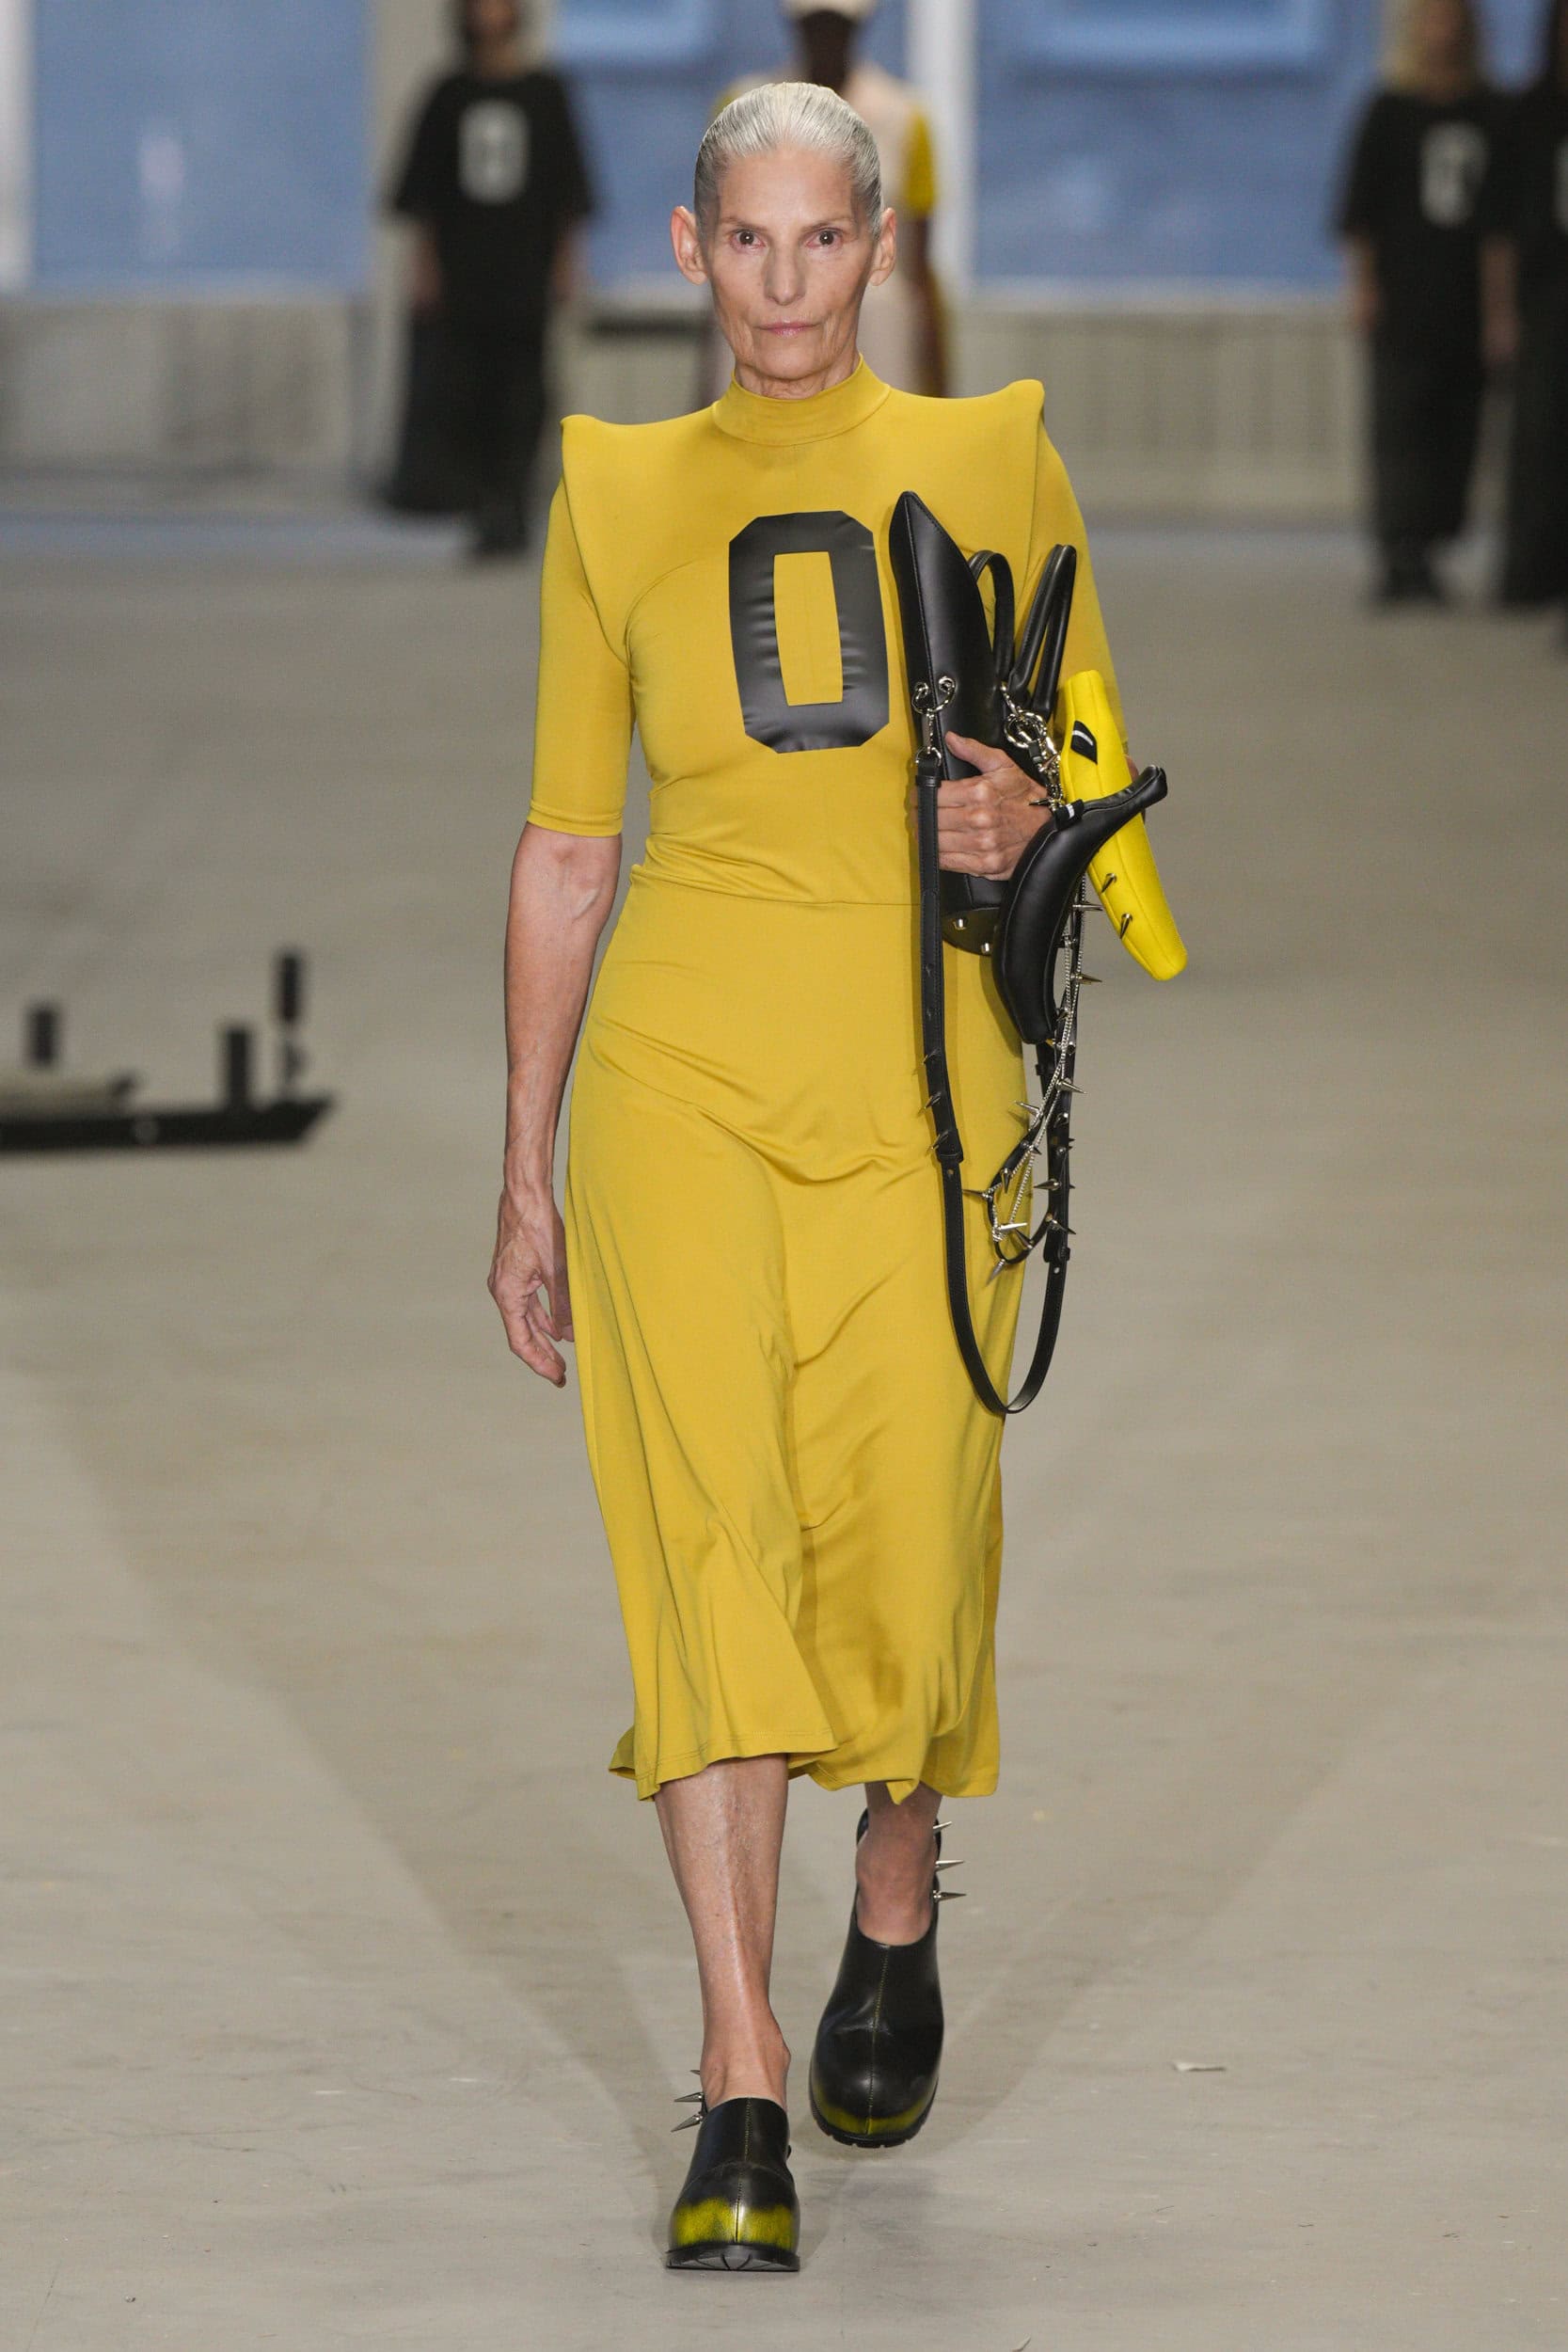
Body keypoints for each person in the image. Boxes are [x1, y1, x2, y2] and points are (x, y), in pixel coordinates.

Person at [487, 82, 1130, 2273]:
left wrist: (1020, 811)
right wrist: (522, 1168)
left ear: (879, 247)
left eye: (820, 241)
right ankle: (740, 2064)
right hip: (674, 1089)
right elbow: (567, 843)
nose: (782, 285)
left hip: (922, 1091)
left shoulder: (990, 456)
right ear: (688, 249)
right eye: (744, 241)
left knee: (911, 1551)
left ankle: (895, 1869)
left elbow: (1084, 755)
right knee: (710, 1564)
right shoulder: (615, 490)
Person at [387, 0, 593, 557]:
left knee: (524, 392)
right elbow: (423, 196)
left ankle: (516, 500)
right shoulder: (448, 95)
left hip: (525, 272)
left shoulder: (545, 94)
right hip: (465, 276)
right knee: (465, 392)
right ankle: (481, 503)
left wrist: (566, 263)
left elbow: (568, 191)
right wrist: (425, 269)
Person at [1337, 0, 1513, 603]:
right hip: (1403, 301)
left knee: (1456, 431)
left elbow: (1501, 228)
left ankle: (1433, 543)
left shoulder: (1491, 113)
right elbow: (1361, 212)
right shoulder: (1389, 111)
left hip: (1462, 302)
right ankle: (1398, 550)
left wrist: (1499, 312)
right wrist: (1364, 287)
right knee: (1399, 427)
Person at [706, 0, 944, 396]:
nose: (826, 40)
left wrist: (938, 385)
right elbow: (718, 247)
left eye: (836, 28)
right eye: (815, 27)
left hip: (876, 331)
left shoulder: (903, 119)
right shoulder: (740, 109)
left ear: (858, 28)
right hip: (765, 316)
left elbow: (920, 270)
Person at [1497, 0, 1568, 615]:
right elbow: (1500, 228)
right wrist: (1501, 311)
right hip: (1546, 292)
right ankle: (1531, 571)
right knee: (1540, 436)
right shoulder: (1530, 114)